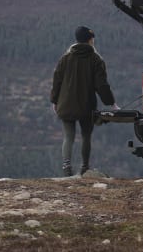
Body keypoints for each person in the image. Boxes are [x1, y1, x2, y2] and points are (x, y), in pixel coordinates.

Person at [50, 26, 118, 176]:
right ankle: (84, 168)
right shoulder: (96, 59)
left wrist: (54, 101)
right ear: (90, 40)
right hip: (86, 106)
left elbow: (57, 81)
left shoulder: (65, 58)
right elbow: (101, 85)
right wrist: (111, 103)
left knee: (68, 136)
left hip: (65, 104)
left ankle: (67, 167)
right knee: (86, 135)